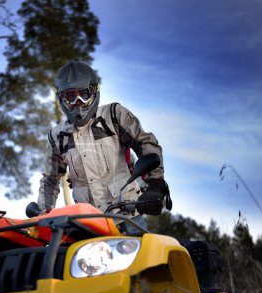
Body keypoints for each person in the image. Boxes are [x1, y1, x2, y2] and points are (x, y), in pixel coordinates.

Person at [37, 61, 171, 217]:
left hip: (127, 215)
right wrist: (42, 214)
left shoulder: (114, 115)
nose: (77, 102)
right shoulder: (57, 136)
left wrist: (156, 185)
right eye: (70, 97)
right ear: (61, 98)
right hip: (89, 222)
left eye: (83, 94)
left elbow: (145, 143)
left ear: (94, 91)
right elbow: (50, 180)